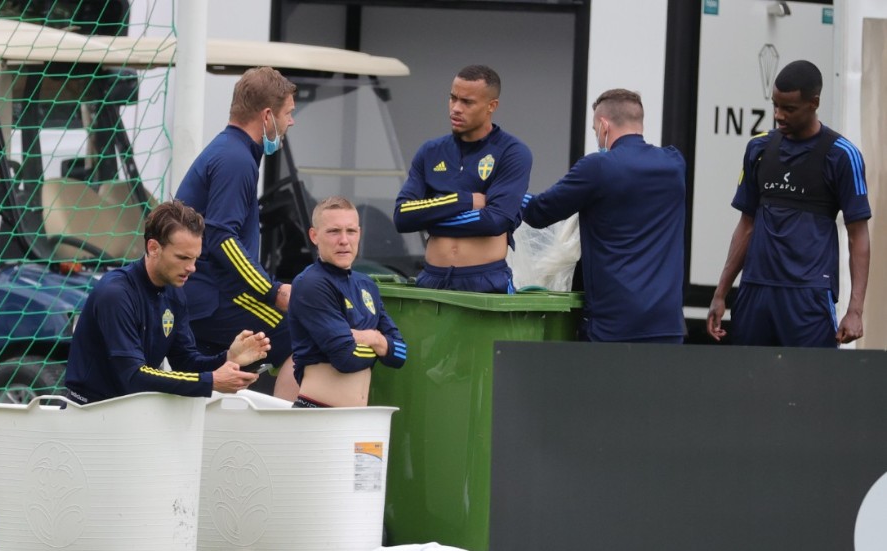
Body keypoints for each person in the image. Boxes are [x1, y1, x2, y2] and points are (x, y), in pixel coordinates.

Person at [707, 60, 870, 347]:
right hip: (755, 291)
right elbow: (746, 225)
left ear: (814, 103)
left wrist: (855, 310)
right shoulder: (757, 148)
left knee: (810, 388)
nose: (778, 116)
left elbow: (858, 237)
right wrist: (721, 293)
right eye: (775, 106)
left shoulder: (843, 155)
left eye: (789, 109)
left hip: (808, 297)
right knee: (749, 386)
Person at [64, 200, 269, 404]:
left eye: (195, 258)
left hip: (133, 411)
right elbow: (133, 376)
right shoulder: (116, 294)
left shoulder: (174, 293)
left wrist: (227, 359)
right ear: (153, 248)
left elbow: (185, 361)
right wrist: (211, 381)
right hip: (89, 412)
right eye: (182, 258)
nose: (192, 268)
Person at [523, 88, 686, 343]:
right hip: (666, 324)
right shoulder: (675, 164)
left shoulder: (597, 168)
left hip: (612, 326)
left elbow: (538, 212)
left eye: (594, 130)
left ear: (603, 125)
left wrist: (506, 193)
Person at [174, 66, 299, 400]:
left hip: (203, 296)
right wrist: (272, 291)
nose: (291, 122)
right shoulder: (236, 159)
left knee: (215, 381)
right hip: (214, 298)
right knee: (303, 333)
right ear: (268, 115)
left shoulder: (231, 150)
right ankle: (283, 436)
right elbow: (221, 238)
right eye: (288, 113)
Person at [393, 64, 532, 293]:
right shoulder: (430, 152)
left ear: (491, 106)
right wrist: (464, 201)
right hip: (431, 280)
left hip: (486, 282)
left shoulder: (512, 152)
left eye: (467, 102)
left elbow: (495, 220)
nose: (456, 108)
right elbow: (401, 217)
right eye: (453, 98)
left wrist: (428, 217)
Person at [288, 197, 407, 407]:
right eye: (334, 231)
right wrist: (380, 343)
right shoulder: (311, 283)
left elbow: (400, 354)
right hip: (319, 413)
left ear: (359, 233)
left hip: (359, 419)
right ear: (314, 236)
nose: (344, 240)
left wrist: (370, 338)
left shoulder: (366, 284)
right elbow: (346, 357)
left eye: (350, 231)